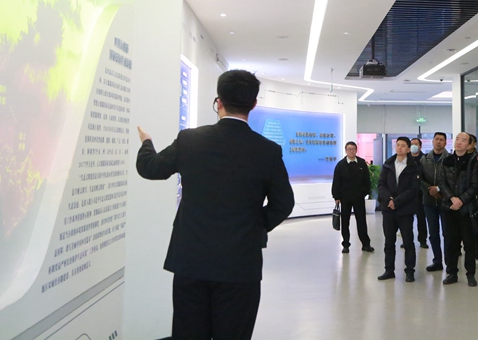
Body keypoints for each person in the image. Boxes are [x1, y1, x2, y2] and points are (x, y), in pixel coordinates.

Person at [135, 70, 295, 339]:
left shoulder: (190, 140)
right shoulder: (267, 150)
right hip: (241, 265)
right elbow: (284, 203)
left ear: (218, 102)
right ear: (253, 104)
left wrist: (147, 143)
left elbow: (149, 168)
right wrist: (255, 227)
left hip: (191, 261)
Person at [377, 137, 421, 282]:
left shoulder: (413, 166)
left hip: (405, 210)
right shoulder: (388, 164)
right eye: (397, 145)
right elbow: (381, 185)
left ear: (408, 149)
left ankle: (410, 271)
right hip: (388, 210)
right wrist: (389, 200)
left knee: (408, 242)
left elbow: (413, 189)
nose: (399, 148)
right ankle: (389, 270)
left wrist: (397, 201)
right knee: (389, 242)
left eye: (403, 146)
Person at [439, 132, 478, 287]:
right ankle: (451, 273)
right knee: (450, 242)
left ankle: (470, 274)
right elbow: (441, 182)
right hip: (449, 207)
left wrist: (461, 200)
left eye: (463, 140)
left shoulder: (473, 162)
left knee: (469, 243)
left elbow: (474, 186)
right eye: (457, 139)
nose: (459, 142)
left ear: (469, 145)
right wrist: (452, 198)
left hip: (466, 209)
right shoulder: (446, 161)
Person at [332, 141, 374, 254]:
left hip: (359, 197)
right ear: (346, 150)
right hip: (345, 198)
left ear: (356, 150)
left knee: (361, 221)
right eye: (349, 149)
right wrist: (336, 196)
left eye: (353, 149)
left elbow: (367, 180)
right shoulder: (340, 165)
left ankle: (366, 244)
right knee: (345, 222)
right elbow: (336, 182)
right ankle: (345, 244)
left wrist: (365, 192)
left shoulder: (361, 163)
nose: (351, 151)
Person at [419, 132, 449, 272]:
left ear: (445, 143)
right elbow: (419, 178)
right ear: (432, 141)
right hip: (429, 201)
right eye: (436, 139)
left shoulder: (450, 159)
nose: (438, 142)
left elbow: (452, 179)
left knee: (447, 233)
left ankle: (450, 262)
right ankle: (437, 261)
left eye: (441, 140)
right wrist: (428, 189)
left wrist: (438, 189)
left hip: (446, 200)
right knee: (433, 233)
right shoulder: (424, 159)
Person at [410, 137, 429, 249]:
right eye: (412, 144)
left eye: (416, 144)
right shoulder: (406, 159)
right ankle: (407, 240)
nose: (413, 146)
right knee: (407, 219)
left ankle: (422, 240)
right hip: (408, 194)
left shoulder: (425, 159)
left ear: (420, 146)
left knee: (421, 218)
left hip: (421, 193)